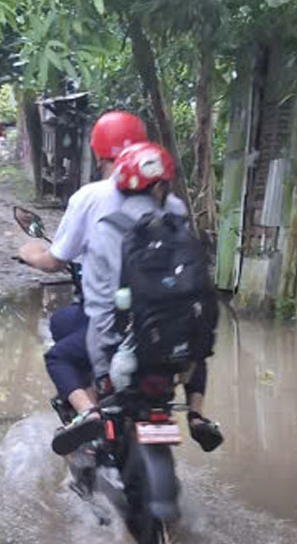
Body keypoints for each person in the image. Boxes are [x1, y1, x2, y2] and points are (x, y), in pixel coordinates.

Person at [51, 141, 223, 457]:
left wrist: (105, 362)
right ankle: (197, 415)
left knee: (58, 356)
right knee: (193, 343)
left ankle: (89, 413)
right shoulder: (179, 224)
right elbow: (200, 291)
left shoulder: (107, 228)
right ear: (161, 187)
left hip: (124, 345)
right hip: (178, 346)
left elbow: (100, 304)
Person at [18, 110, 150, 411]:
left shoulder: (90, 196)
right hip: (164, 317)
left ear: (100, 156)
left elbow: (55, 262)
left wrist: (29, 254)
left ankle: (88, 413)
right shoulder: (166, 199)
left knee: (59, 349)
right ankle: (195, 413)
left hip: (111, 315)